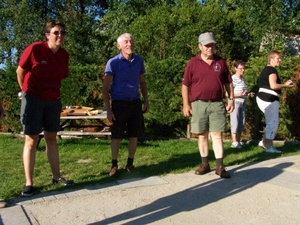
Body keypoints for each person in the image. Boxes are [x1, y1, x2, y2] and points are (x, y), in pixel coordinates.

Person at [16, 19, 73, 197]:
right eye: (56, 32)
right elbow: (20, 71)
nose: (60, 36)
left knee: (52, 138)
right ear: (47, 35)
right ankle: (29, 183)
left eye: (62, 33)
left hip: (53, 100)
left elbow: (61, 76)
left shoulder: (64, 55)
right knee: (31, 140)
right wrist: (24, 92)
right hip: (33, 99)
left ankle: (56, 177)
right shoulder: (34, 49)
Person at [182, 32, 234, 179]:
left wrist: (231, 99)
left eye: (212, 45)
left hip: (217, 103)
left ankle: (220, 166)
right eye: (207, 45)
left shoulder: (221, 62)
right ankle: (205, 164)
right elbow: (185, 85)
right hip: (199, 104)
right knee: (202, 135)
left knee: (217, 135)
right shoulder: (193, 63)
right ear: (200, 46)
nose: (210, 48)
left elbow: (228, 82)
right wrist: (186, 104)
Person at [102, 33, 150, 178]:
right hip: (119, 103)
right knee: (117, 136)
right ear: (119, 46)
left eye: (131, 41)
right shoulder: (113, 63)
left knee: (134, 135)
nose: (129, 44)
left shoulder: (138, 61)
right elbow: (105, 88)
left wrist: (146, 99)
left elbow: (142, 82)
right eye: (126, 42)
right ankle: (114, 165)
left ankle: (130, 164)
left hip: (134, 102)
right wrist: (108, 109)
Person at [256, 50, 293, 153]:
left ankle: (264, 142)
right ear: (271, 59)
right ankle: (268, 146)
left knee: (270, 121)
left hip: (264, 97)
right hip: (269, 98)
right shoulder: (272, 70)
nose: (279, 60)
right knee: (273, 122)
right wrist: (285, 85)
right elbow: (273, 85)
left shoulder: (265, 70)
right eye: (278, 58)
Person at [230, 60, 255, 148]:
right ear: (235, 68)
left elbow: (243, 91)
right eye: (240, 68)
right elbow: (227, 93)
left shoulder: (243, 79)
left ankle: (238, 141)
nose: (242, 70)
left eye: (243, 68)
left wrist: (248, 94)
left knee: (241, 122)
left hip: (243, 102)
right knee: (235, 122)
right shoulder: (233, 79)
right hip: (235, 102)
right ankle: (234, 142)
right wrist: (239, 95)